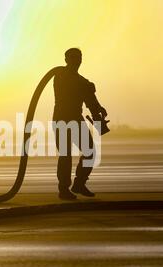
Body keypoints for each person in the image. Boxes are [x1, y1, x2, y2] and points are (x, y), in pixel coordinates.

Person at [53, 48, 107, 200]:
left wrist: (98, 108)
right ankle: (63, 189)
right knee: (65, 155)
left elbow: (89, 99)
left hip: (76, 118)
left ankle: (79, 183)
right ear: (67, 60)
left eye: (79, 57)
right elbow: (76, 86)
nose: (77, 60)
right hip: (62, 119)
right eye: (74, 57)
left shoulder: (82, 81)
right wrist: (88, 86)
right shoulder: (60, 75)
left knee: (90, 151)